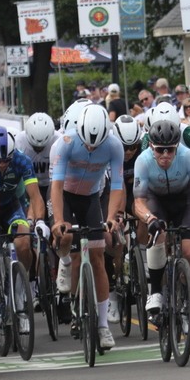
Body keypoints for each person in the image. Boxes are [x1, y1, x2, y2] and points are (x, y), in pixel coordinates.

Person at [50, 105, 124, 350]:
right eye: (88, 144)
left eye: (96, 144)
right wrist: (59, 220)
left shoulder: (114, 145)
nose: (91, 148)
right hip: (66, 196)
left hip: (91, 198)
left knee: (97, 259)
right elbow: (57, 186)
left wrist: (112, 217)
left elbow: (116, 186)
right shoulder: (65, 143)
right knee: (65, 238)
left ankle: (102, 326)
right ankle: (65, 262)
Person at [135, 120, 190, 316]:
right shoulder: (143, 161)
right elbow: (138, 202)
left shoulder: (188, 156)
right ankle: (155, 292)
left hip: (184, 199)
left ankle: (189, 297)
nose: (165, 155)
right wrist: (149, 219)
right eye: (160, 150)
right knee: (158, 235)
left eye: (170, 150)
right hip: (157, 200)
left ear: (177, 147)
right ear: (151, 147)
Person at [0, 126, 46, 330]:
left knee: (24, 242)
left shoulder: (21, 160)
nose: (2, 165)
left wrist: (41, 220)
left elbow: (34, 196)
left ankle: (19, 293)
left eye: (6, 160)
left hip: (11, 206)